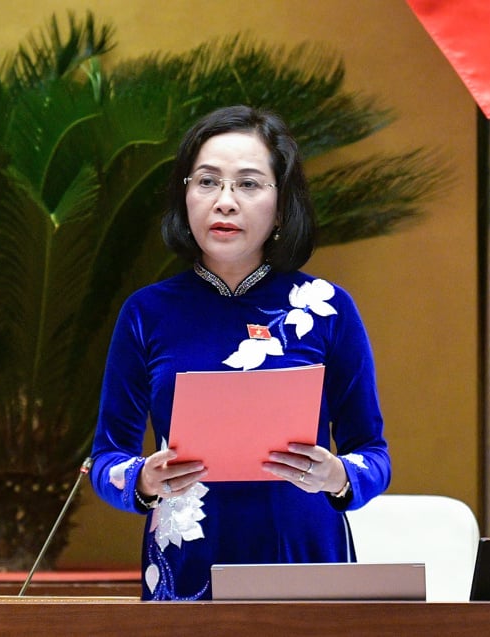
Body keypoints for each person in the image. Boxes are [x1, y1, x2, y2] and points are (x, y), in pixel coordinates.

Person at [89, 105, 391, 601]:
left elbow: (373, 455)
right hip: (187, 561)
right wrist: (142, 478)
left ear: (281, 203)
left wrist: (336, 475)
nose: (224, 201)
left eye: (248, 184)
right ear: (184, 195)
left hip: (305, 559)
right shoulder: (146, 313)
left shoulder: (327, 308)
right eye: (207, 182)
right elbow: (106, 459)